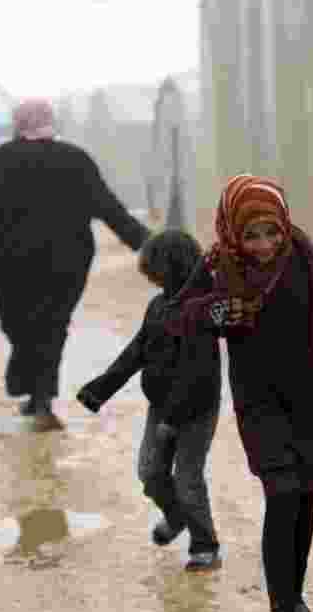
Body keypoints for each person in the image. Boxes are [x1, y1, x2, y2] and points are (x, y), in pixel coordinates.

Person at [163, 175, 313, 612]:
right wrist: (220, 311)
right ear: (234, 233)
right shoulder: (218, 266)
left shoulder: (308, 260)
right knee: (281, 492)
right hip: (258, 401)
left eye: (271, 232)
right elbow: (175, 317)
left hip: (310, 398)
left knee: (304, 494)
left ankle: (296, 600)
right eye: (251, 235)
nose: (263, 245)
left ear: (284, 226)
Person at [0, 98, 151, 427]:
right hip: (67, 263)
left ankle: (38, 395)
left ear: (17, 125)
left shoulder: (1, 160)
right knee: (51, 327)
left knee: (20, 324)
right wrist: (147, 242)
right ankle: (37, 395)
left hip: (12, 264)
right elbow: (109, 208)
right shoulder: (75, 159)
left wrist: (7, 238)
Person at [77, 229, 223, 572]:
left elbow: (197, 372)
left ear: (172, 267)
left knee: (188, 479)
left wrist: (173, 421)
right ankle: (176, 517)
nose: (149, 276)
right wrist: (99, 390)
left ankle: (206, 546)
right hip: (160, 407)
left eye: (153, 269)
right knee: (150, 472)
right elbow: (137, 351)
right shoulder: (157, 306)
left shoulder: (201, 310)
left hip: (195, 410)